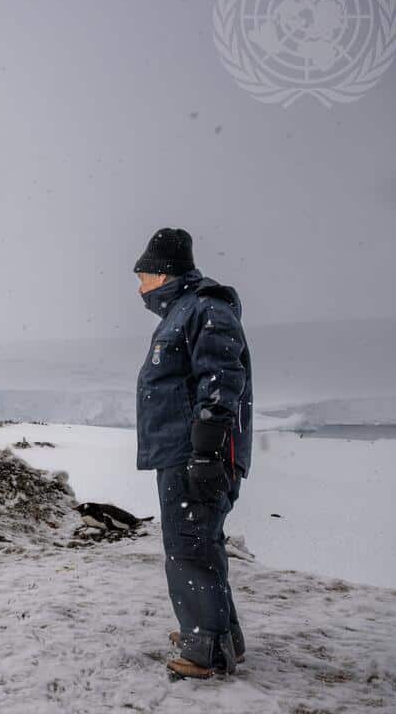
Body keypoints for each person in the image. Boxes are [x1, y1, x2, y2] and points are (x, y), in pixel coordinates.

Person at [133, 227, 253, 679]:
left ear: (163, 274)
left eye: (143, 276)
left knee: (188, 545)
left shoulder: (205, 309)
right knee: (201, 542)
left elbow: (221, 377)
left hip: (195, 454)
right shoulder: (186, 312)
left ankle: (204, 648)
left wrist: (206, 451)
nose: (140, 287)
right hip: (182, 451)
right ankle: (223, 636)